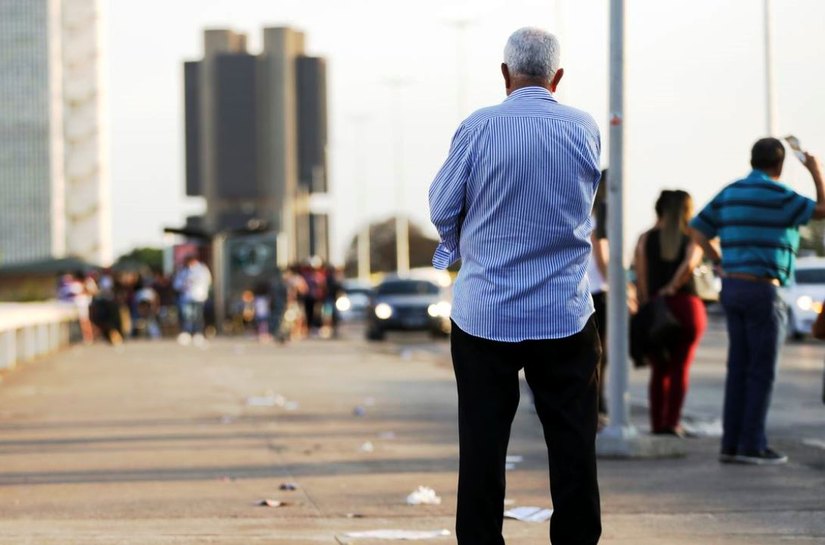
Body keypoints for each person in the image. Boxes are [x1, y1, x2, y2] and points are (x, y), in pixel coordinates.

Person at [429, 27, 602, 545]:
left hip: (485, 315)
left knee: (482, 445)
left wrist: (457, 245)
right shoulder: (583, 128)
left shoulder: (478, 127)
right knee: (573, 444)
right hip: (564, 313)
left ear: (504, 74)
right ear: (558, 77)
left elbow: (442, 205)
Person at [690, 138, 825, 465]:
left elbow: (697, 231)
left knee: (738, 368)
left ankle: (732, 443)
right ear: (779, 165)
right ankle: (752, 444)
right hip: (764, 289)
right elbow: (822, 211)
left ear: (752, 160)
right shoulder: (780, 196)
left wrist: (719, 260)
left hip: (733, 287)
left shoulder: (731, 192)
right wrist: (815, 170)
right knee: (761, 371)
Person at [634, 190, 706, 437]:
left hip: (656, 308)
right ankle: (672, 422)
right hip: (687, 307)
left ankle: (657, 424)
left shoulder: (645, 239)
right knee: (680, 367)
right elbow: (691, 265)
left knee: (659, 369)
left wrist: (650, 301)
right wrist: (674, 286)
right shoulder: (692, 238)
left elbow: (641, 279)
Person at [590, 170, 609, 427]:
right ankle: (596, 404)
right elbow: (602, 256)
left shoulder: (585, 212)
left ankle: (597, 402)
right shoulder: (600, 218)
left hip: (585, 289)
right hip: (598, 290)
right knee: (598, 353)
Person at [173, 255, 212, 346]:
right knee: (187, 316)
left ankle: (197, 333)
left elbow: (207, 281)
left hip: (199, 296)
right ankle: (187, 333)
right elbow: (177, 284)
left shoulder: (202, 269)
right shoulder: (184, 271)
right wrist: (184, 284)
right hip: (186, 297)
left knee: (197, 316)